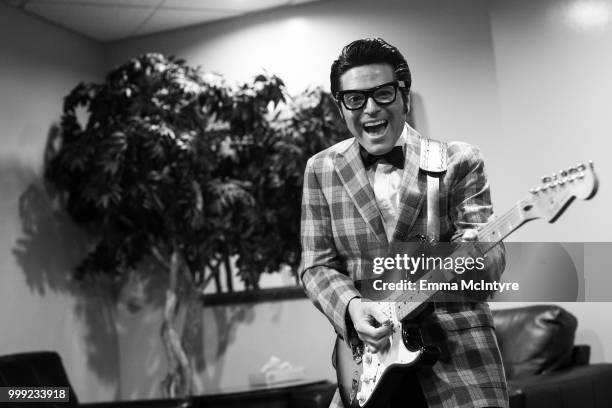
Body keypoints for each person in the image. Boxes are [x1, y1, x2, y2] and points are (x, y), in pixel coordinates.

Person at [300, 38, 509, 408]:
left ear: (404, 97)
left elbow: (488, 268)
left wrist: (476, 255)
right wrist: (351, 307)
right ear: (340, 105)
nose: (370, 109)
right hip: (368, 364)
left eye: (382, 93)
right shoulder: (321, 169)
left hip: (457, 357)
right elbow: (316, 266)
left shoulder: (458, 160)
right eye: (355, 98)